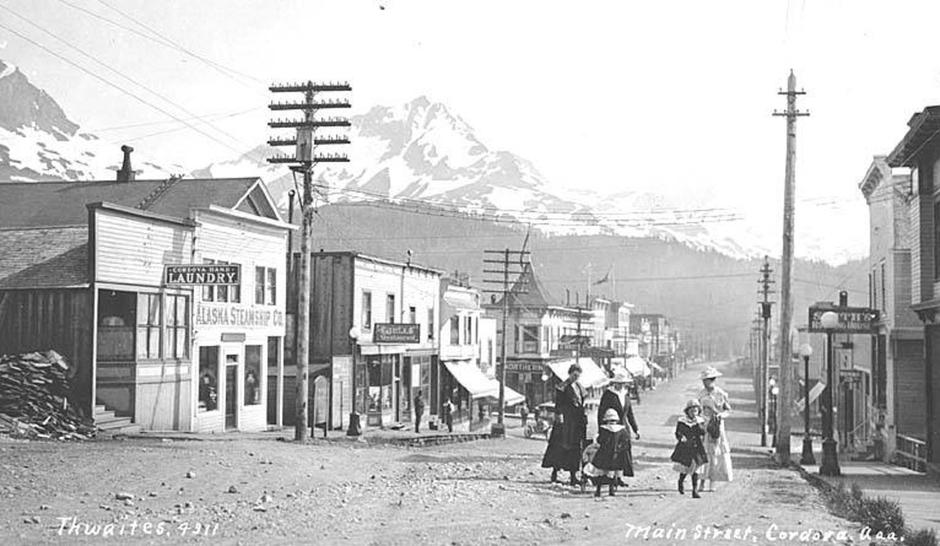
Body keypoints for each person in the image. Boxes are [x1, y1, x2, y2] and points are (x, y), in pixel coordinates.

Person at [596, 368, 640, 485]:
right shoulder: (608, 394)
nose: (620, 386)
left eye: (622, 384)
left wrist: (636, 429)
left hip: (624, 429)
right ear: (614, 383)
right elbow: (601, 413)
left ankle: (618, 477)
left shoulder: (626, 395)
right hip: (610, 427)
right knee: (610, 452)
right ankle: (608, 477)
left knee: (623, 452)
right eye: (618, 384)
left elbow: (629, 413)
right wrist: (601, 428)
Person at [698, 366, 733, 491]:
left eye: (706, 380)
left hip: (716, 427)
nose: (704, 382)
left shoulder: (721, 394)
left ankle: (712, 482)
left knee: (714, 456)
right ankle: (701, 482)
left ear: (712, 380)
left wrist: (720, 415)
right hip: (704, 426)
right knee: (703, 454)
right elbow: (698, 410)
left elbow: (728, 410)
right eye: (703, 380)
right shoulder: (701, 394)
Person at [583, 408, 631, 497]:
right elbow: (626, 441)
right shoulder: (622, 430)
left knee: (600, 473)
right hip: (615, 455)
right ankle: (611, 490)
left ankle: (598, 490)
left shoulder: (604, 429)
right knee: (612, 473)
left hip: (604, 454)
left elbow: (600, 440)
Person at [555, 363, 588, 486]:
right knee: (562, 446)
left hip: (577, 421)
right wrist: (559, 416)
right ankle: (556, 471)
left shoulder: (579, 387)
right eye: (574, 375)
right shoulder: (563, 386)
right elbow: (558, 404)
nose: (576, 377)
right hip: (567, 421)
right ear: (570, 374)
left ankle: (574, 475)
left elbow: (583, 401)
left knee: (576, 448)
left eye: (578, 376)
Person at [671, 399, 708, 499]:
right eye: (691, 410)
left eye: (696, 410)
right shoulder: (682, 421)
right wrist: (681, 437)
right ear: (687, 411)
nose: (693, 413)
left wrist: (698, 423)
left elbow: (703, 432)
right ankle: (681, 481)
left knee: (695, 468)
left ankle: (694, 490)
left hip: (696, 447)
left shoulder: (700, 420)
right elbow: (678, 432)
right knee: (685, 468)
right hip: (685, 447)